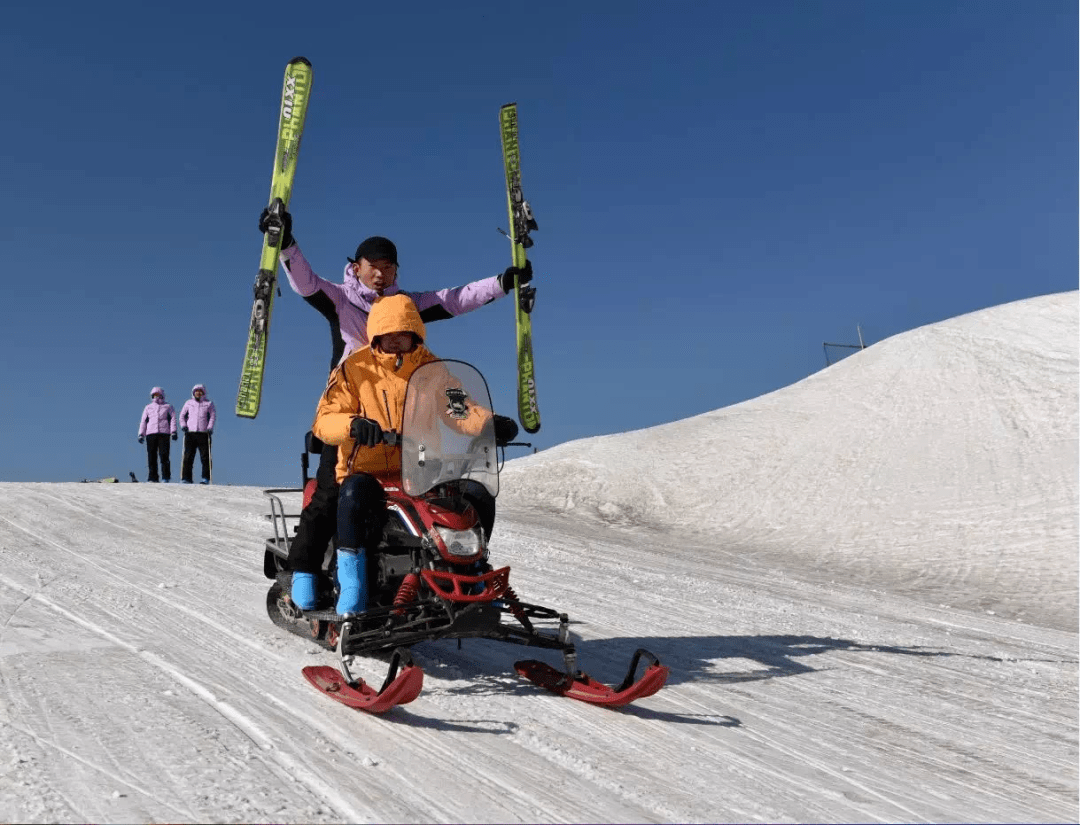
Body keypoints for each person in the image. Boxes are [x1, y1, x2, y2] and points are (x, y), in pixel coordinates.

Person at [257, 206, 528, 582]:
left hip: (408, 425)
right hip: (353, 413)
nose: (381, 274)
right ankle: (304, 575)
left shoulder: (406, 309)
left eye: (389, 268)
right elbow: (307, 284)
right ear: (356, 267)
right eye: (374, 266)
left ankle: (458, 566)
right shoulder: (340, 300)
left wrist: (501, 283)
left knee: (452, 498)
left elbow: (453, 299)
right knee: (328, 498)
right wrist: (285, 243)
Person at [307, 294, 493, 615]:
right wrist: (354, 425)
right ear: (376, 333)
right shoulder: (354, 368)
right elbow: (325, 420)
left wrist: (488, 424)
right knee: (353, 495)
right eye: (388, 333)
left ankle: (469, 572)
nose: (396, 340)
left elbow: (458, 408)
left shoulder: (434, 370)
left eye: (403, 333)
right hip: (369, 472)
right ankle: (352, 586)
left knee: (475, 495)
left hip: (420, 470)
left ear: (415, 333)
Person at [137, 387, 177, 483]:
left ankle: (165, 477)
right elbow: (144, 421)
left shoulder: (168, 407)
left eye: (158, 394)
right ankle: (152, 477)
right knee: (152, 456)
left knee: (164, 456)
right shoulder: (148, 407)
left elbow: (173, 420)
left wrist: (173, 432)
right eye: (154, 395)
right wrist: (141, 434)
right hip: (151, 433)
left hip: (164, 433)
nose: (156, 396)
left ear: (162, 395)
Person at [179, 384, 217, 484]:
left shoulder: (208, 404)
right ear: (193, 392)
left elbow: (212, 416)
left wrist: (210, 427)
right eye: (196, 391)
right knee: (188, 456)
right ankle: (186, 478)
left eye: (200, 391)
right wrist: (183, 426)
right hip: (190, 432)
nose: (198, 393)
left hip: (204, 433)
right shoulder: (188, 403)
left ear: (203, 393)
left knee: (205, 456)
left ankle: (205, 478)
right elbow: (182, 416)